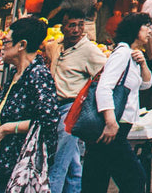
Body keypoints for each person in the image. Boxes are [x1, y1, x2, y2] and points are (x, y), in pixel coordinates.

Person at [82, 13, 152, 193]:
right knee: (135, 179)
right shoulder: (122, 53)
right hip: (114, 128)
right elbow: (104, 87)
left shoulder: (132, 55)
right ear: (135, 30)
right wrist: (110, 122)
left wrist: (143, 64)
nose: (150, 31)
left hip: (118, 127)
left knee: (96, 178)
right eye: (146, 26)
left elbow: (146, 84)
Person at [0, 17, 60, 193]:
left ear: (21, 45)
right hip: (3, 164)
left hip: (19, 169)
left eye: (6, 42)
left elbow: (48, 121)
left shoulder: (38, 75)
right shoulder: (16, 73)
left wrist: (6, 128)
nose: (2, 46)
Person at [47, 13, 104, 193]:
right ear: (62, 27)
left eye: (81, 25)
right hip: (55, 107)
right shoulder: (55, 46)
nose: (77, 30)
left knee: (59, 161)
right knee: (73, 163)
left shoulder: (88, 50)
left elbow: (106, 72)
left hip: (72, 109)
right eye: (72, 25)